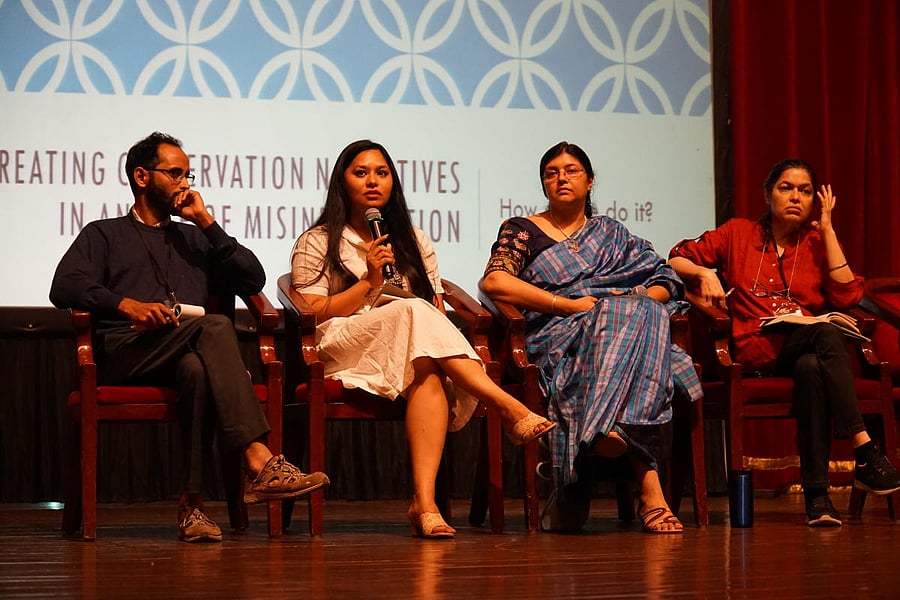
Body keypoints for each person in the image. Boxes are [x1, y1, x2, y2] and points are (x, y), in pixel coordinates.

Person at [50, 132, 329, 543]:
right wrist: (126, 304)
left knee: (197, 369)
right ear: (142, 177)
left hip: (184, 352)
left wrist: (206, 222)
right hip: (128, 352)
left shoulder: (195, 238)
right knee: (216, 325)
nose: (186, 182)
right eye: (175, 173)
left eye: (188, 174)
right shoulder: (103, 234)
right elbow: (64, 286)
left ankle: (192, 507)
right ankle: (258, 459)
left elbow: (253, 278)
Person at [290, 139, 556, 539]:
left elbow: (434, 304)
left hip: (409, 343)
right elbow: (313, 311)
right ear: (342, 183)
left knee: (427, 371)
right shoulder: (318, 240)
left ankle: (424, 505)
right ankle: (505, 405)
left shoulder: (412, 239)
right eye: (360, 173)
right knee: (413, 313)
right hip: (343, 342)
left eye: (382, 173)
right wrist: (369, 282)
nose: (372, 181)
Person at [479, 141, 702, 534]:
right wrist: (569, 306)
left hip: (620, 326)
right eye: (552, 172)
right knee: (635, 330)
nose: (561, 177)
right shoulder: (523, 230)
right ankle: (650, 492)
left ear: (590, 181)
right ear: (544, 183)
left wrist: (627, 303)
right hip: (557, 331)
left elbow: (664, 279)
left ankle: (604, 437)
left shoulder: (612, 233)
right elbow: (496, 282)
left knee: (638, 313)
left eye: (571, 170)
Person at [669, 157, 900, 527]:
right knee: (825, 333)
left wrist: (827, 230)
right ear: (768, 194)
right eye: (786, 188)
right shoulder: (736, 233)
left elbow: (846, 297)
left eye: (805, 191)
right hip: (756, 344)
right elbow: (675, 258)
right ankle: (865, 448)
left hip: (806, 351)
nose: (795, 197)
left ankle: (818, 499)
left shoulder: (815, 243)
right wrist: (702, 272)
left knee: (812, 368)